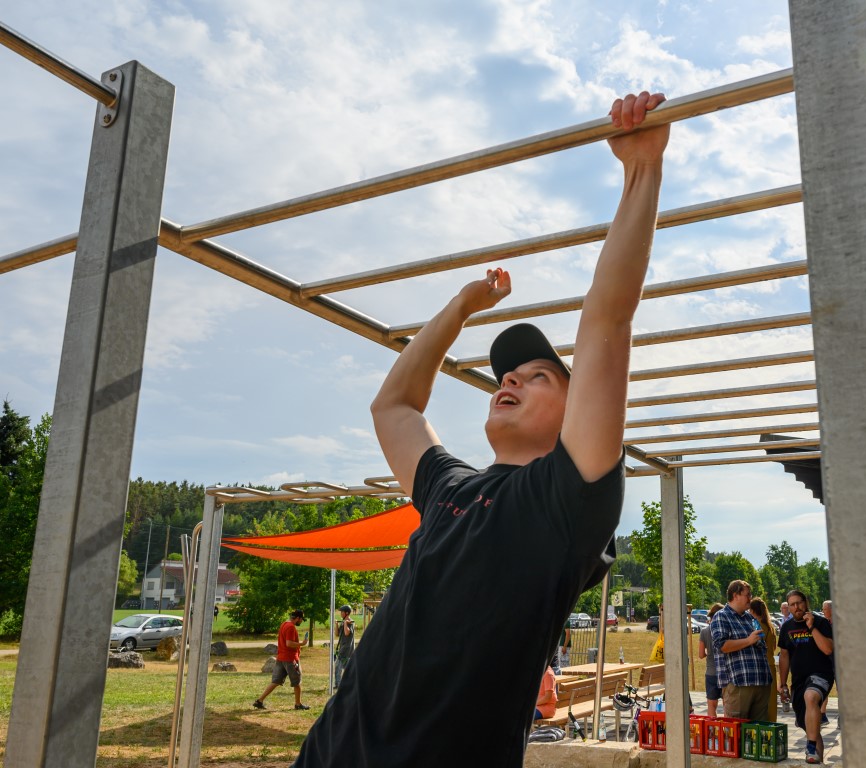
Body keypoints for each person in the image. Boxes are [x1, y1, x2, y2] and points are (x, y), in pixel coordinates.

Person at [293, 91, 670, 768]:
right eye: (508, 374)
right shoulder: (451, 490)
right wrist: (462, 306)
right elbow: (395, 408)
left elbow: (607, 320)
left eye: (539, 377)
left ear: (575, 411)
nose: (513, 380)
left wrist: (641, 171)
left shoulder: (567, 499)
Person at [778, 590, 835, 764]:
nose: (797, 607)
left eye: (799, 603)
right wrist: (783, 684)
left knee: (810, 696)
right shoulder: (787, 627)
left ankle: (810, 746)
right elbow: (784, 656)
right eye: (792, 604)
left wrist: (812, 627)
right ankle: (816, 757)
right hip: (798, 681)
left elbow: (828, 649)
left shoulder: (821, 622)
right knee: (810, 726)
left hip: (821, 675)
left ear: (806, 602)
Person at [710, 580, 773, 721]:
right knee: (736, 732)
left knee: (759, 733)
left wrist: (758, 642)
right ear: (735, 595)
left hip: (761, 681)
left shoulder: (749, 617)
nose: (750, 598)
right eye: (747, 595)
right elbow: (722, 645)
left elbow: (760, 644)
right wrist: (748, 641)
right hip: (738, 683)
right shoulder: (721, 616)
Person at [254, 609, 310, 711]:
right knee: (297, 682)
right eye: (301, 620)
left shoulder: (284, 624)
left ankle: (259, 701)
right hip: (290, 659)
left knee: (275, 681)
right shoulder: (291, 627)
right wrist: (302, 644)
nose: (301, 622)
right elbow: (289, 643)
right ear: (298, 618)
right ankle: (298, 704)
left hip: (281, 658)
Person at [748, 597, 779, 723]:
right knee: (771, 703)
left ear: (753, 610)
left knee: (762, 704)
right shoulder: (770, 626)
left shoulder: (757, 626)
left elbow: (756, 646)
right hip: (771, 665)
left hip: (762, 667)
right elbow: (774, 647)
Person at [697, 602, 725, 717]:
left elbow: (700, 654)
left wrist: (709, 652)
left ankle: (712, 732)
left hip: (711, 672)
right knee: (727, 705)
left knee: (711, 705)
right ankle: (728, 732)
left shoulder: (704, 631)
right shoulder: (725, 629)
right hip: (725, 671)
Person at [333, 604, 355, 689]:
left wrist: (346, 623)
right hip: (343, 647)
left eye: (342, 612)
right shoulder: (343, 622)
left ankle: (338, 685)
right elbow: (337, 634)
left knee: (338, 666)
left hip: (346, 648)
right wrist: (336, 625)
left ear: (346, 613)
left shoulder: (350, 622)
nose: (340, 613)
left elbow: (347, 633)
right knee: (347, 668)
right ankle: (350, 683)